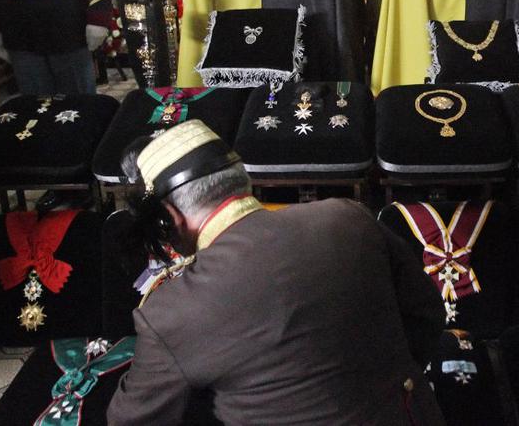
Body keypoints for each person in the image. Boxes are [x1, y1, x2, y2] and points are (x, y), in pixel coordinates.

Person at [108, 120, 446, 426]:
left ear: (167, 218)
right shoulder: (349, 217)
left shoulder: (171, 312)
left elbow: (131, 420)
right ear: (242, 178)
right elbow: (427, 315)